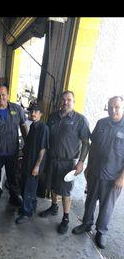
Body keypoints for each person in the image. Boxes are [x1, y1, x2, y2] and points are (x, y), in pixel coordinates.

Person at [72, 96, 124, 249]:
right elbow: (93, 145)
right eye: (110, 107)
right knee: (90, 200)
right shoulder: (102, 123)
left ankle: (101, 232)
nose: (113, 110)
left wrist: (122, 177)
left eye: (116, 107)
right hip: (95, 171)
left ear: (122, 107)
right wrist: (88, 166)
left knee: (107, 206)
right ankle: (86, 224)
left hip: (113, 177)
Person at [39, 90, 90, 234]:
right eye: (63, 100)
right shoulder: (53, 117)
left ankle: (66, 218)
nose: (65, 102)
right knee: (53, 187)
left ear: (73, 102)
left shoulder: (80, 120)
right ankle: (54, 207)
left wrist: (80, 162)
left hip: (68, 163)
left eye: (68, 100)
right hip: (52, 159)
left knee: (65, 191)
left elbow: (86, 143)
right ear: (59, 102)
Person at [15, 103, 49, 224]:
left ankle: (26, 213)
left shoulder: (43, 128)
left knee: (28, 189)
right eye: (31, 111)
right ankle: (31, 206)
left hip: (34, 164)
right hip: (27, 161)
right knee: (27, 186)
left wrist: (37, 166)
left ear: (41, 114)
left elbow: (43, 149)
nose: (33, 113)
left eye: (36, 111)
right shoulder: (33, 126)